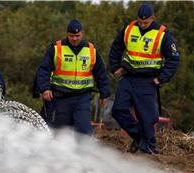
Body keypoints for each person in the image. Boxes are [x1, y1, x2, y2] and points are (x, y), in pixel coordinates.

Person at [109, 3, 180, 154]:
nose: (142, 25)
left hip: (148, 80)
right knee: (118, 109)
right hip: (128, 77)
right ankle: (138, 136)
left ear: (152, 18)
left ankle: (150, 149)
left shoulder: (162, 34)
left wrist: (162, 78)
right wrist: (115, 67)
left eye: (145, 22)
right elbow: (116, 47)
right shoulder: (129, 29)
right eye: (140, 22)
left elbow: (173, 59)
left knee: (147, 117)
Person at [35, 19, 110, 136]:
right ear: (67, 34)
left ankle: (84, 153)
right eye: (71, 36)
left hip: (83, 98)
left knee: (84, 131)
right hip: (61, 98)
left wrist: (104, 93)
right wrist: (45, 88)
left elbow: (101, 73)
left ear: (82, 33)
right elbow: (43, 70)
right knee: (61, 133)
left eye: (77, 35)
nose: (75, 39)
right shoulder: (56, 49)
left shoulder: (91, 50)